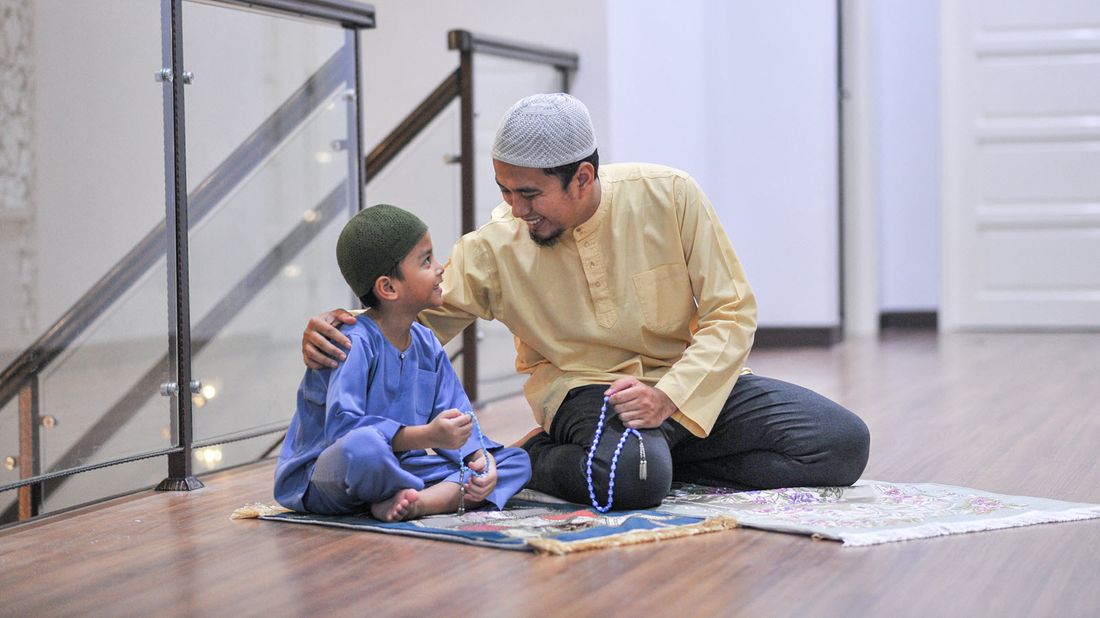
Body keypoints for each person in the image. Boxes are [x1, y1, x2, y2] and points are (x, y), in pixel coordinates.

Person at [300, 94, 869, 511]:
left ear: (583, 177)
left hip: (688, 389)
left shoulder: (670, 196)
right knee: (636, 478)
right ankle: (535, 458)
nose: (516, 209)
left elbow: (731, 311)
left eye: (529, 193)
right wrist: (340, 329)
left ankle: (652, 457)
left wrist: (669, 397)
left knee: (842, 446)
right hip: (586, 391)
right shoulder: (496, 247)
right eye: (504, 191)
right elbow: (407, 319)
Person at [275, 204, 531, 521]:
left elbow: (458, 416)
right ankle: (426, 493)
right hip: (328, 475)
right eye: (426, 261)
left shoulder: (426, 342)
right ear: (388, 287)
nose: (440, 268)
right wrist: (428, 437)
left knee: (514, 461)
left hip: (399, 467)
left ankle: (416, 502)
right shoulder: (350, 342)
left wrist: (480, 460)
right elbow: (344, 430)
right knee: (364, 446)